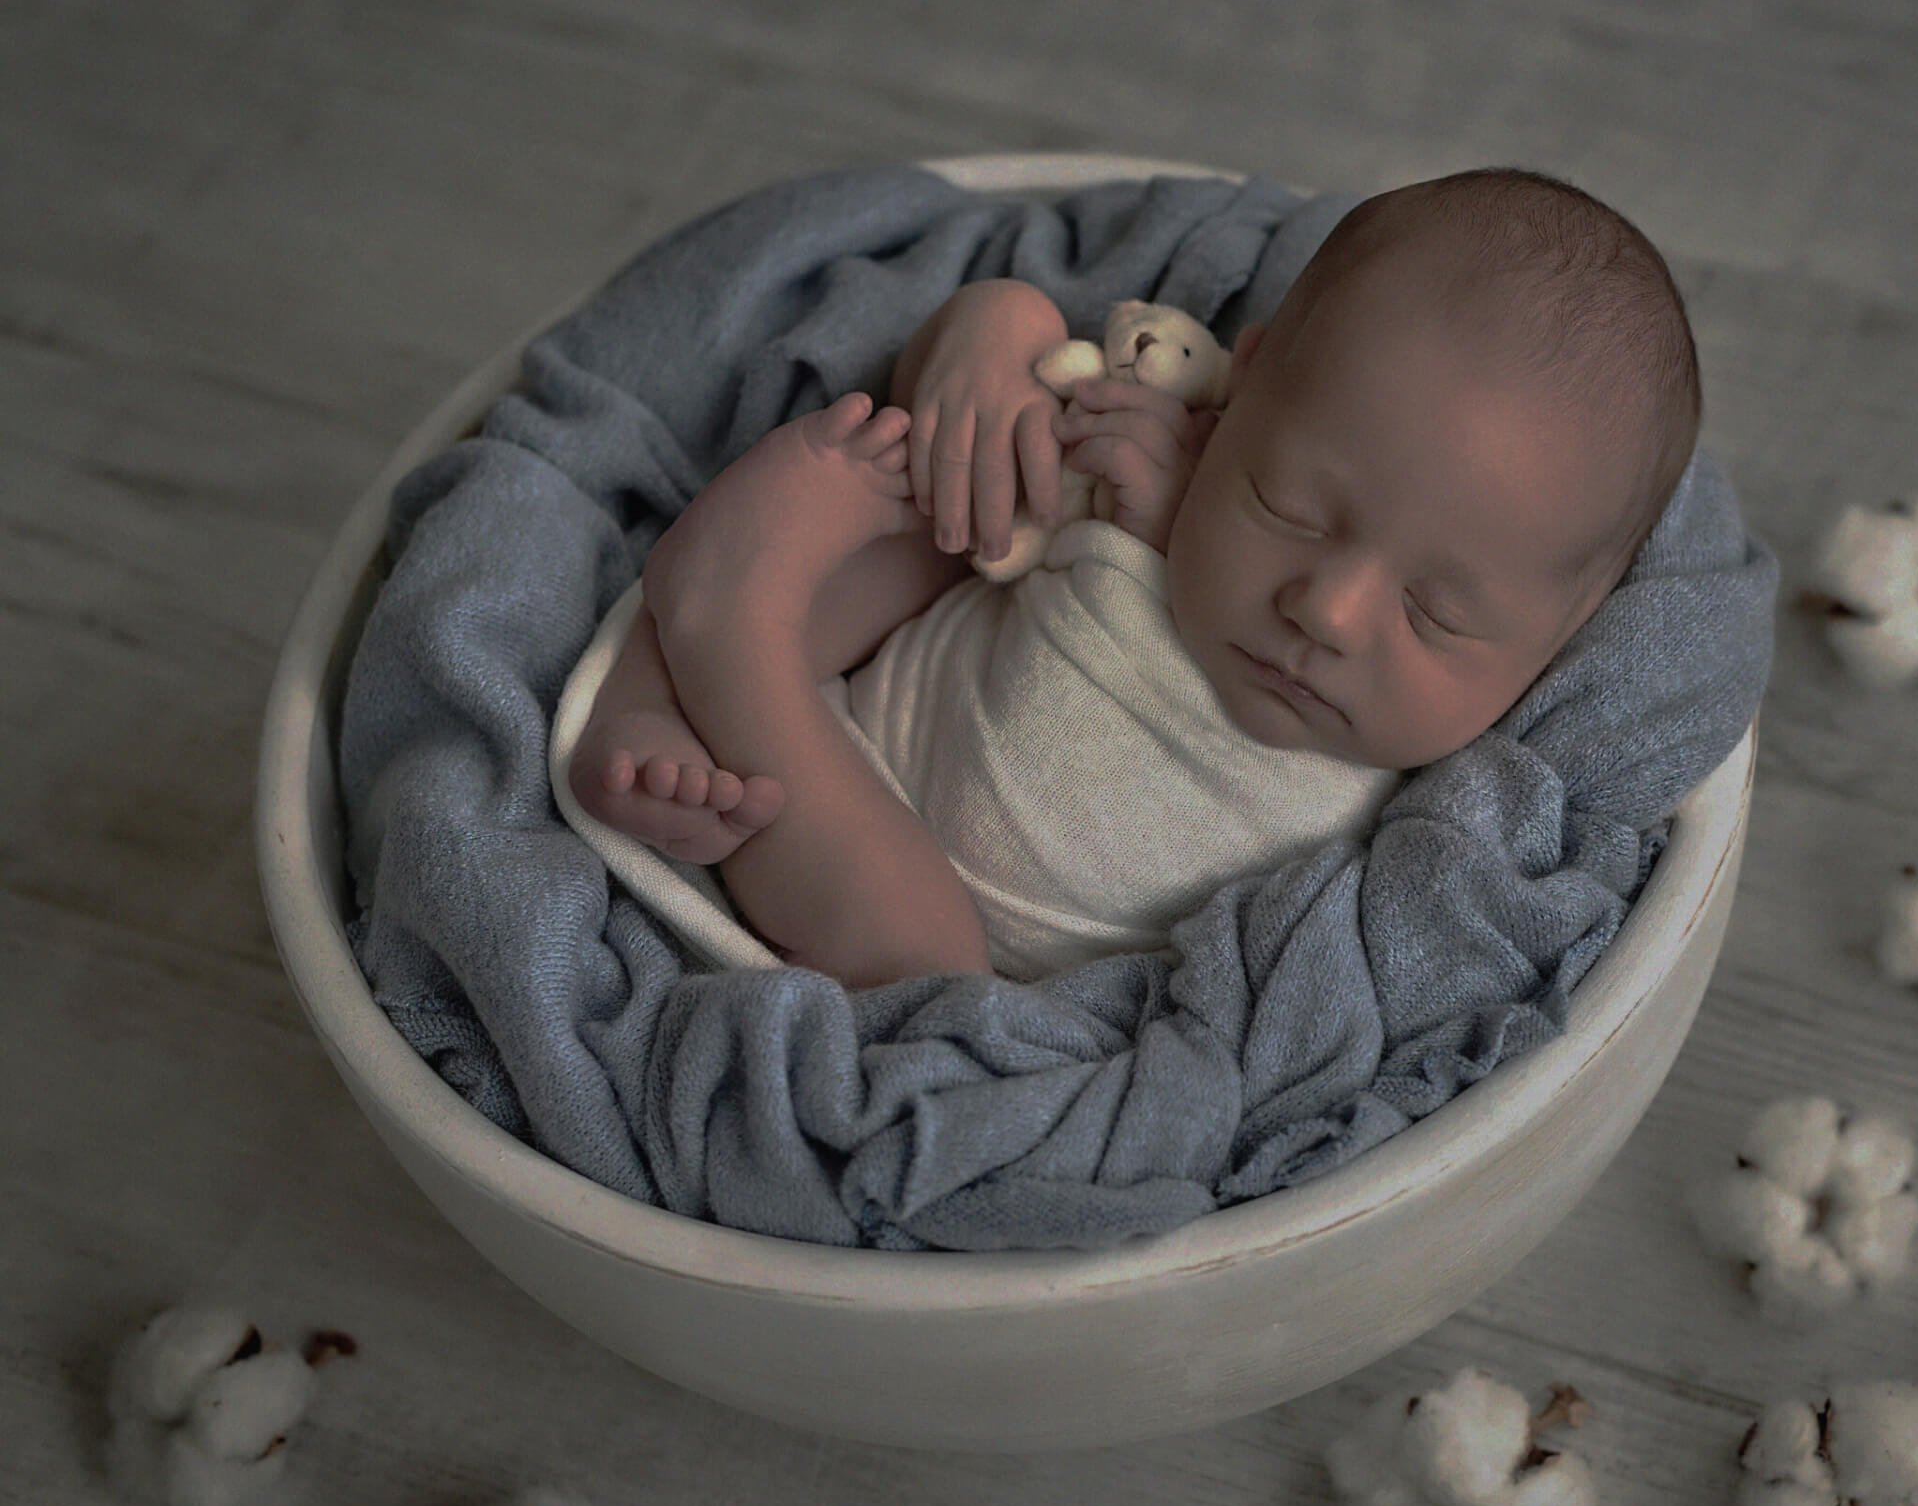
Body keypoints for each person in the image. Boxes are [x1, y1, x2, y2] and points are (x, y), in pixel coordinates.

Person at [565, 167, 1703, 988]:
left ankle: (731, 626)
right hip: (819, 743)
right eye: (1288, 507)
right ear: (1240, 392)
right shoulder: (1152, 479)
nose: (1331, 608)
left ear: (1566, 632)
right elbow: (993, 424)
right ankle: (672, 687)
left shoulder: (1445, 816)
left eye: (1437, 612)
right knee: (972, 503)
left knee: (931, 967)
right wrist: (983, 341)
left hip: (914, 970)